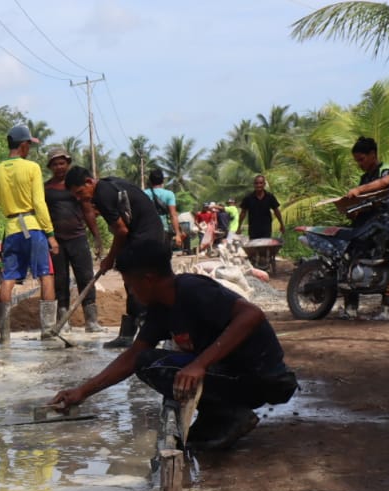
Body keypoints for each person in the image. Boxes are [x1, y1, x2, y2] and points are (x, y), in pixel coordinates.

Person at [49, 241, 298, 451]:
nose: (132, 294)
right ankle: (219, 415)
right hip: (230, 375)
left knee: (157, 366)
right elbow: (133, 355)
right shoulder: (161, 309)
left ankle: (230, 416)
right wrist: (82, 391)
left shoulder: (192, 289)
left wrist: (200, 364)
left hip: (261, 377)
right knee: (147, 362)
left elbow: (251, 315)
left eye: (131, 285)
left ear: (148, 279)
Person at [65, 165, 168, 348]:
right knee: (132, 283)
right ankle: (128, 335)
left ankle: (148, 335)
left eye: (80, 193)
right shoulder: (107, 186)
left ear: (89, 182)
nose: (81, 198)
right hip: (143, 233)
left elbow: (120, 231)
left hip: (145, 236)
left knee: (138, 283)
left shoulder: (102, 194)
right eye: (76, 196)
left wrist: (110, 258)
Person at [0, 124, 59, 342]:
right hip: (34, 227)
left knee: (8, 278)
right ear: (24, 145)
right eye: (29, 145)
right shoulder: (32, 168)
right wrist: (51, 234)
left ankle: (4, 334)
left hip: (11, 230)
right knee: (46, 275)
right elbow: (39, 202)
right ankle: (47, 330)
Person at [43, 146, 104, 333]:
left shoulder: (76, 187)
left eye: (62, 163)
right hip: (56, 242)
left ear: (68, 163)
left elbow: (87, 210)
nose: (59, 167)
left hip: (77, 238)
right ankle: (64, 320)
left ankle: (91, 321)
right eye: (55, 164)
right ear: (50, 167)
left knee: (85, 276)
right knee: (60, 280)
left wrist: (96, 236)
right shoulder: (46, 189)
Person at [340, 136, 389, 318]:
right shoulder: (364, 177)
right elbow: (361, 203)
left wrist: (359, 190)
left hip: (383, 226)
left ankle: (387, 309)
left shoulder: (387, 169)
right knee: (350, 262)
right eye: (357, 161)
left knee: (387, 265)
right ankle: (351, 308)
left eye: (361, 159)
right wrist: (350, 211)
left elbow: (384, 183)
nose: (360, 164)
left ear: (372, 154)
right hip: (364, 227)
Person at [144, 168, 184, 252]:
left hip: (147, 230)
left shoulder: (144, 193)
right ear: (163, 181)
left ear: (150, 181)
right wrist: (177, 234)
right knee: (163, 257)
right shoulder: (169, 194)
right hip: (163, 230)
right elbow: (173, 215)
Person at [238, 175, 286, 240]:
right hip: (253, 230)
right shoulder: (248, 198)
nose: (258, 185)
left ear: (264, 184)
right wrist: (239, 227)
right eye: (256, 183)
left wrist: (281, 224)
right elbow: (243, 213)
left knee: (265, 248)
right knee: (255, 248)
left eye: (260, 183)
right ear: (254, 184)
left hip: (266, 229)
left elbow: (276, 211)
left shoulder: (270, 197)